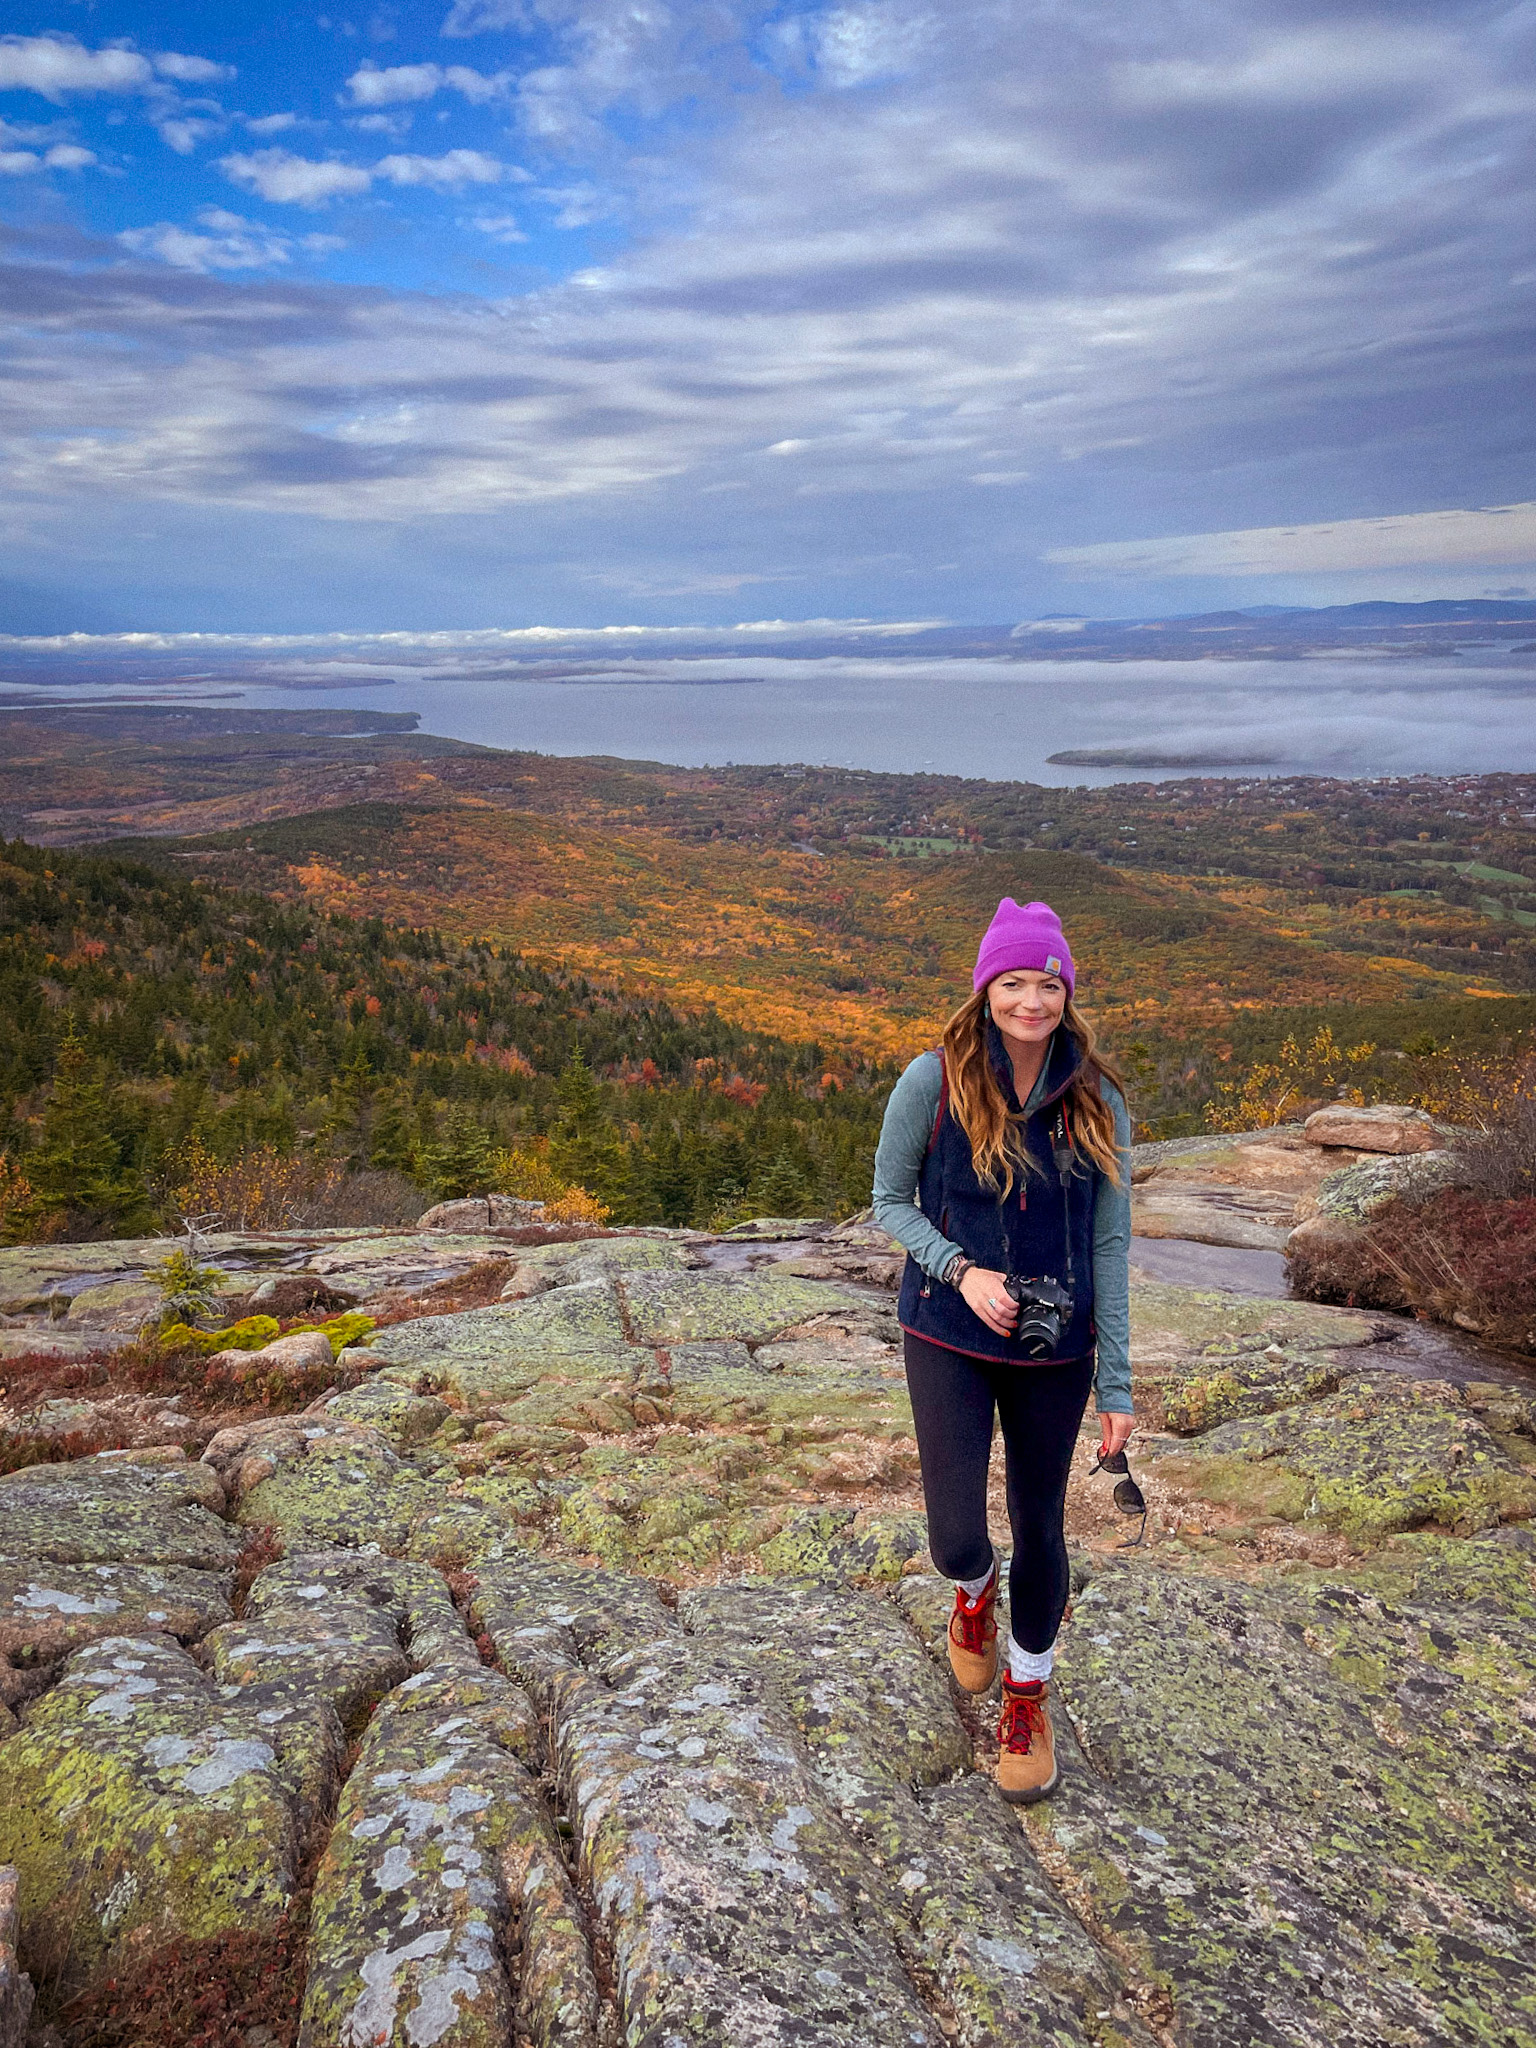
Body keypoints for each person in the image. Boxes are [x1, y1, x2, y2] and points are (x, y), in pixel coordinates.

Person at [872, 896, 1133, 1803]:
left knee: (1042, 1526)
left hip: (1056, 1349)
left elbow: (1109, 1245)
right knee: (955, 1535)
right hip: (946, 1329)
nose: (1032, 1000)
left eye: (1048, 983)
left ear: (1068, 992)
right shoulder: (932, 1079)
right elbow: (888, 1201)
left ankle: (1028, 1696)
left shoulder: (1098, 1099)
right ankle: (971, 1594)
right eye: (1014, 982)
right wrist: (959, 1269)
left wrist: (1120, 1381)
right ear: (986, 989)